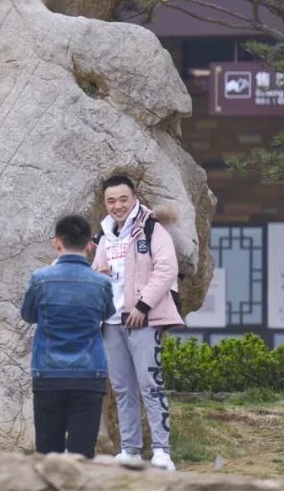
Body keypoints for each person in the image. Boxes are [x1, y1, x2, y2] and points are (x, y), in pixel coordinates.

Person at [93, 175, 183, 471]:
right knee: (122, 388)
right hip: (111, 321)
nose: (117, 206)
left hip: (144, 319)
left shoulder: (151, 229)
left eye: (122, 199)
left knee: (150, 384)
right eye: (111, 201)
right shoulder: (105, 235)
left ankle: (161, 451)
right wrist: (101, 273)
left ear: (133, 199)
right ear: (105, 204)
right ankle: (130, 449)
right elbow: (97, 273)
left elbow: (167, 269)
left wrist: (143, 306)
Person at [21, 214, 115, 458]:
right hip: (89, 374)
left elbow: (28, 315)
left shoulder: (40, 279)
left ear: (57, 243)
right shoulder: (101, 283)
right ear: (89, 245)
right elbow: (108, 312)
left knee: (47, 455)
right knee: (82, 456)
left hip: (48, 373)